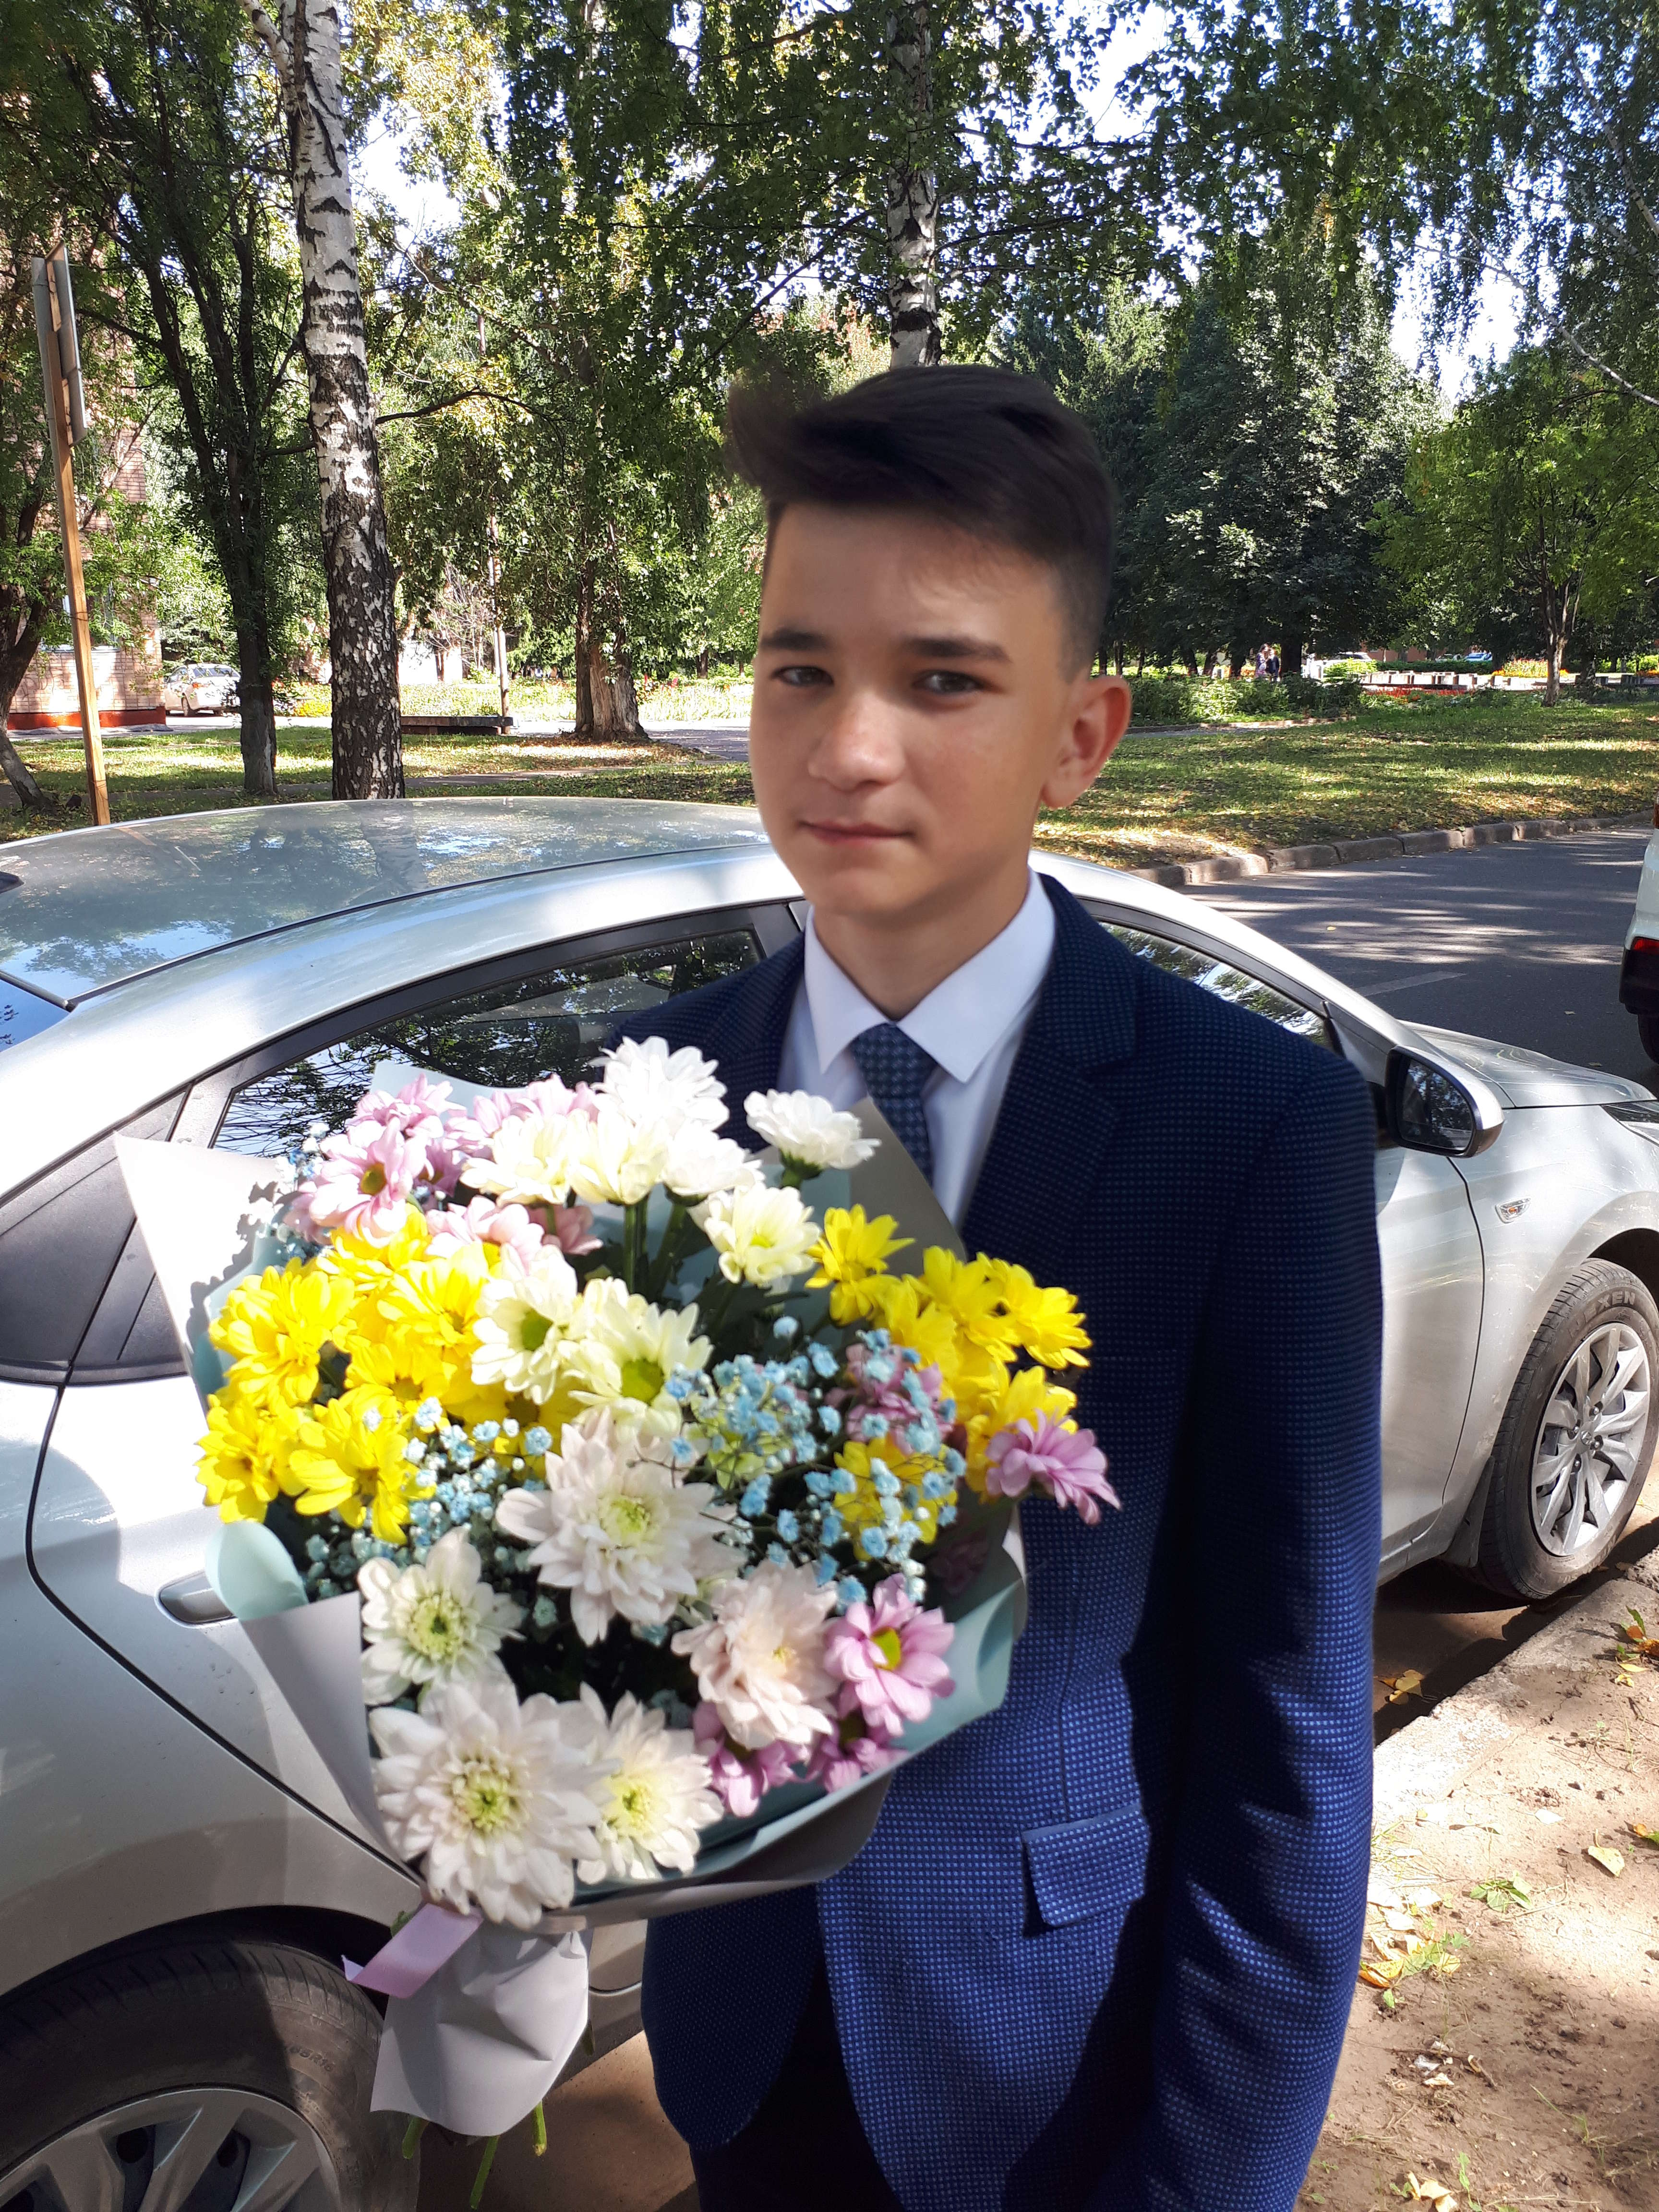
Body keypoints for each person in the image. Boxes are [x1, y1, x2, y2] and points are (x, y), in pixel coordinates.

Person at [613, 367, 1382, 2212]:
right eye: (800, 670)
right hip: (731, 2037)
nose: (847, 747)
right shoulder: (644, 1098)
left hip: (1056, 2067)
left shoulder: (1247, 1123)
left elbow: (1286, 1722)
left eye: (943, 679)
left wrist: (1211, 2179)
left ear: (1080, 736)